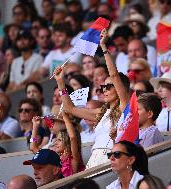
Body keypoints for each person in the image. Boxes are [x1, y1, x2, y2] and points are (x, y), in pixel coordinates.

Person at [54, 29, 131, 168]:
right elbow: (70, 109)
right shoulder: (101, 112)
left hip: (112, 158)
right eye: (103, 87)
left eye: (109, 87)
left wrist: (103, 46)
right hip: (94, 159)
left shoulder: (125, 107)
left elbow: (114, 75)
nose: (105, 90)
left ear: (121, 89)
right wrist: (60, 83)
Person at [53, 112, 85, 177]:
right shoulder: (55, 157)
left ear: (68, 142)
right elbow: (33, 148)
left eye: (59, 140)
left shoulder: (74, 157)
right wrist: (35, 126)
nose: (55, 143)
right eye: (56, 140)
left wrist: (65, 117)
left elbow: (73, 137)